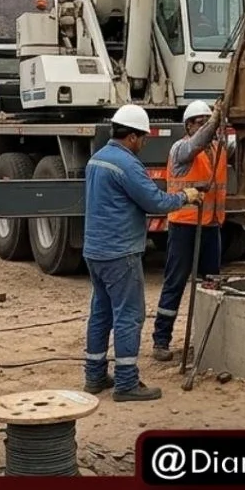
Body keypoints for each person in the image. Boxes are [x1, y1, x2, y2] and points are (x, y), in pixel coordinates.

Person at [82, 103, 203, 401]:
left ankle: (94, 376)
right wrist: (185, 196)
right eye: (144, 137)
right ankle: (126, 383)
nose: (144, 143)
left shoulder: (97, 159)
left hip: (95, 251)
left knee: (101, 313)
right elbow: (155, 202)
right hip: (120, 252)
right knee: (129, 316)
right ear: (133, 136)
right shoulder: (127, 164)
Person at [151, 100, 236, 362]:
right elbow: (197, 143)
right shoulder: (181, 149)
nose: (207, 127)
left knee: (211, 282)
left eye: (208, 122)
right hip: (185, 226)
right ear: (188, 126)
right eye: (200, 122)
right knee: (175, 282)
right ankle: (161, 340)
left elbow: (241, 143)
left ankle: (208, 338)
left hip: (211, 225)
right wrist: (214, 120)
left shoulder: (219, 149)